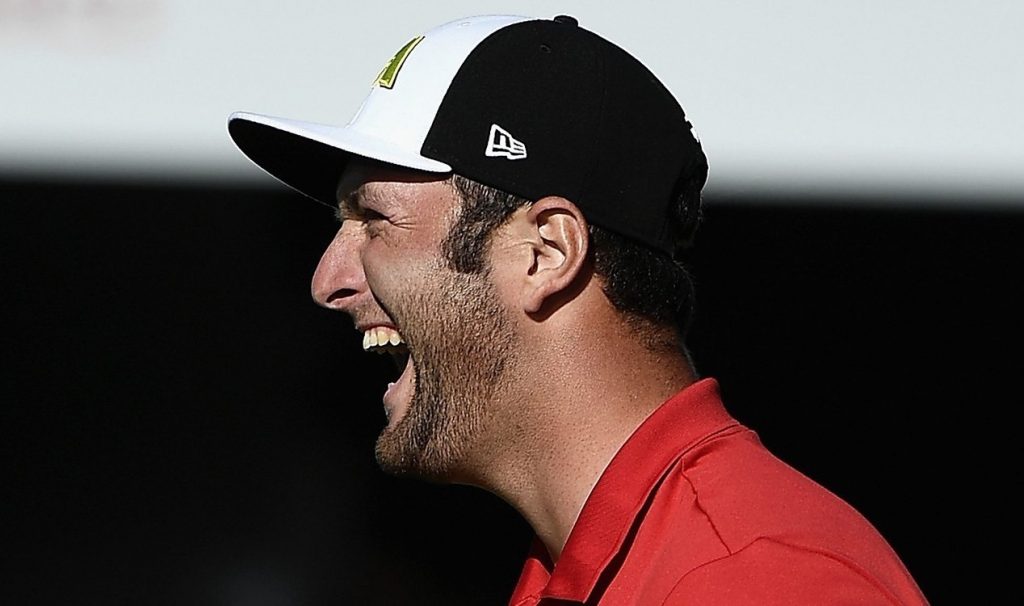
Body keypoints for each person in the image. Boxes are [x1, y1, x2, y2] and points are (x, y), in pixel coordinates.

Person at [227, 13, 929, 605]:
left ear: (546, 253)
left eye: (375, 219)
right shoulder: (598, 566)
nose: (328, 281)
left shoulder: (756, 579)